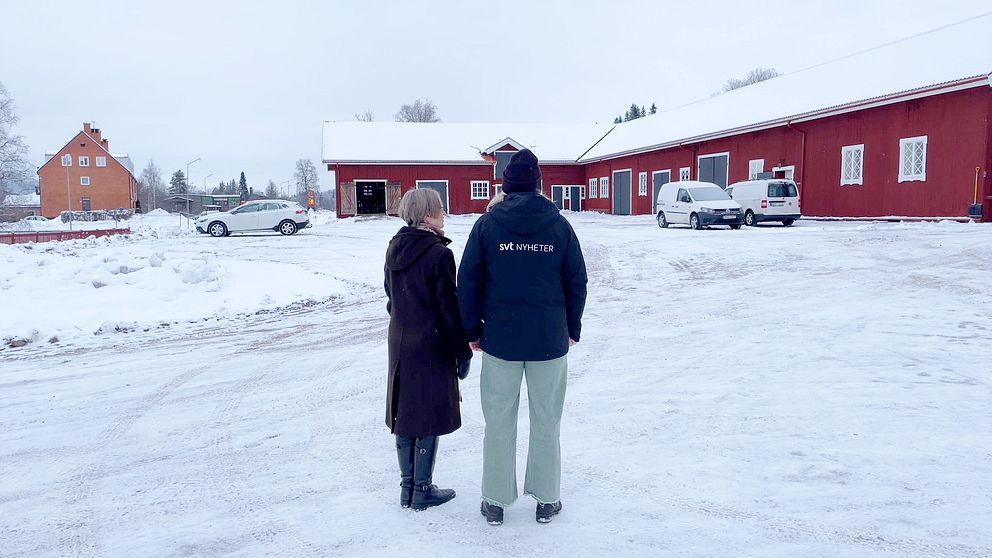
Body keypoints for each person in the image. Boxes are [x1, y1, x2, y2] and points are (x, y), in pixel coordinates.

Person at [457, 149, 588, 525]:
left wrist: (473, 330)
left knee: (499, 421)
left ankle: (495, 500)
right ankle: (547, 498)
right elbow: (576, 280)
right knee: (547, 420)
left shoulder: (487, 225)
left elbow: (468, 281)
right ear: (539, 184)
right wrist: (572, 327)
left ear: (505, 185)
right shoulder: (559, 226)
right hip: (548, 341)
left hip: (501, 340)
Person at [384, 189, 473, 511]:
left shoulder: (394, 248)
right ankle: (421, 489)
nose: (444, 215)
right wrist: (462, 353)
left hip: (400, 343)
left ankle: (407, 488)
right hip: (431, 344)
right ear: (426, 216)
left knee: (404, 412)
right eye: (439, 210)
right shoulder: (438, 254)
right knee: (428, 415)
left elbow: (390, 298)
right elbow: (450, 310)